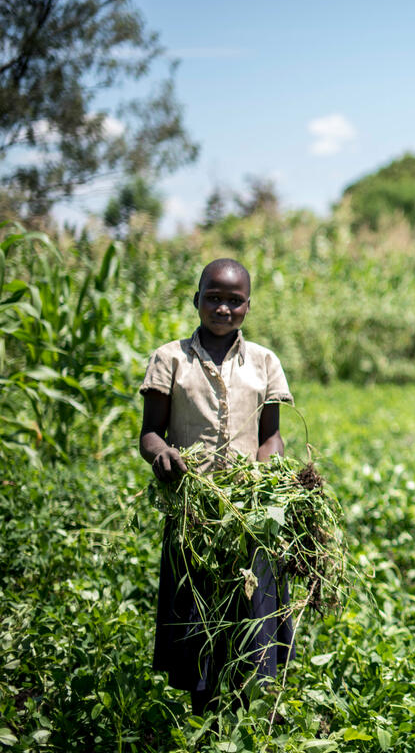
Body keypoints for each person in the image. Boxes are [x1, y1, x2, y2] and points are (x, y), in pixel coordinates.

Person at [139, 257, 295, 715]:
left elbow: (271, 436)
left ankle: (243, 709)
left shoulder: (265, 361)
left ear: (248, 306)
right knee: (197, 613)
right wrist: (161, 455)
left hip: (248, 513)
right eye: (214, 298)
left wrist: (268, 472)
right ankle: (202, 710)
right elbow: (151, 433)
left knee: (249, 613)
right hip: (194, 510)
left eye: (234, 301)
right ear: (197, 300)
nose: (223, 309)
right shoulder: (170, 359)